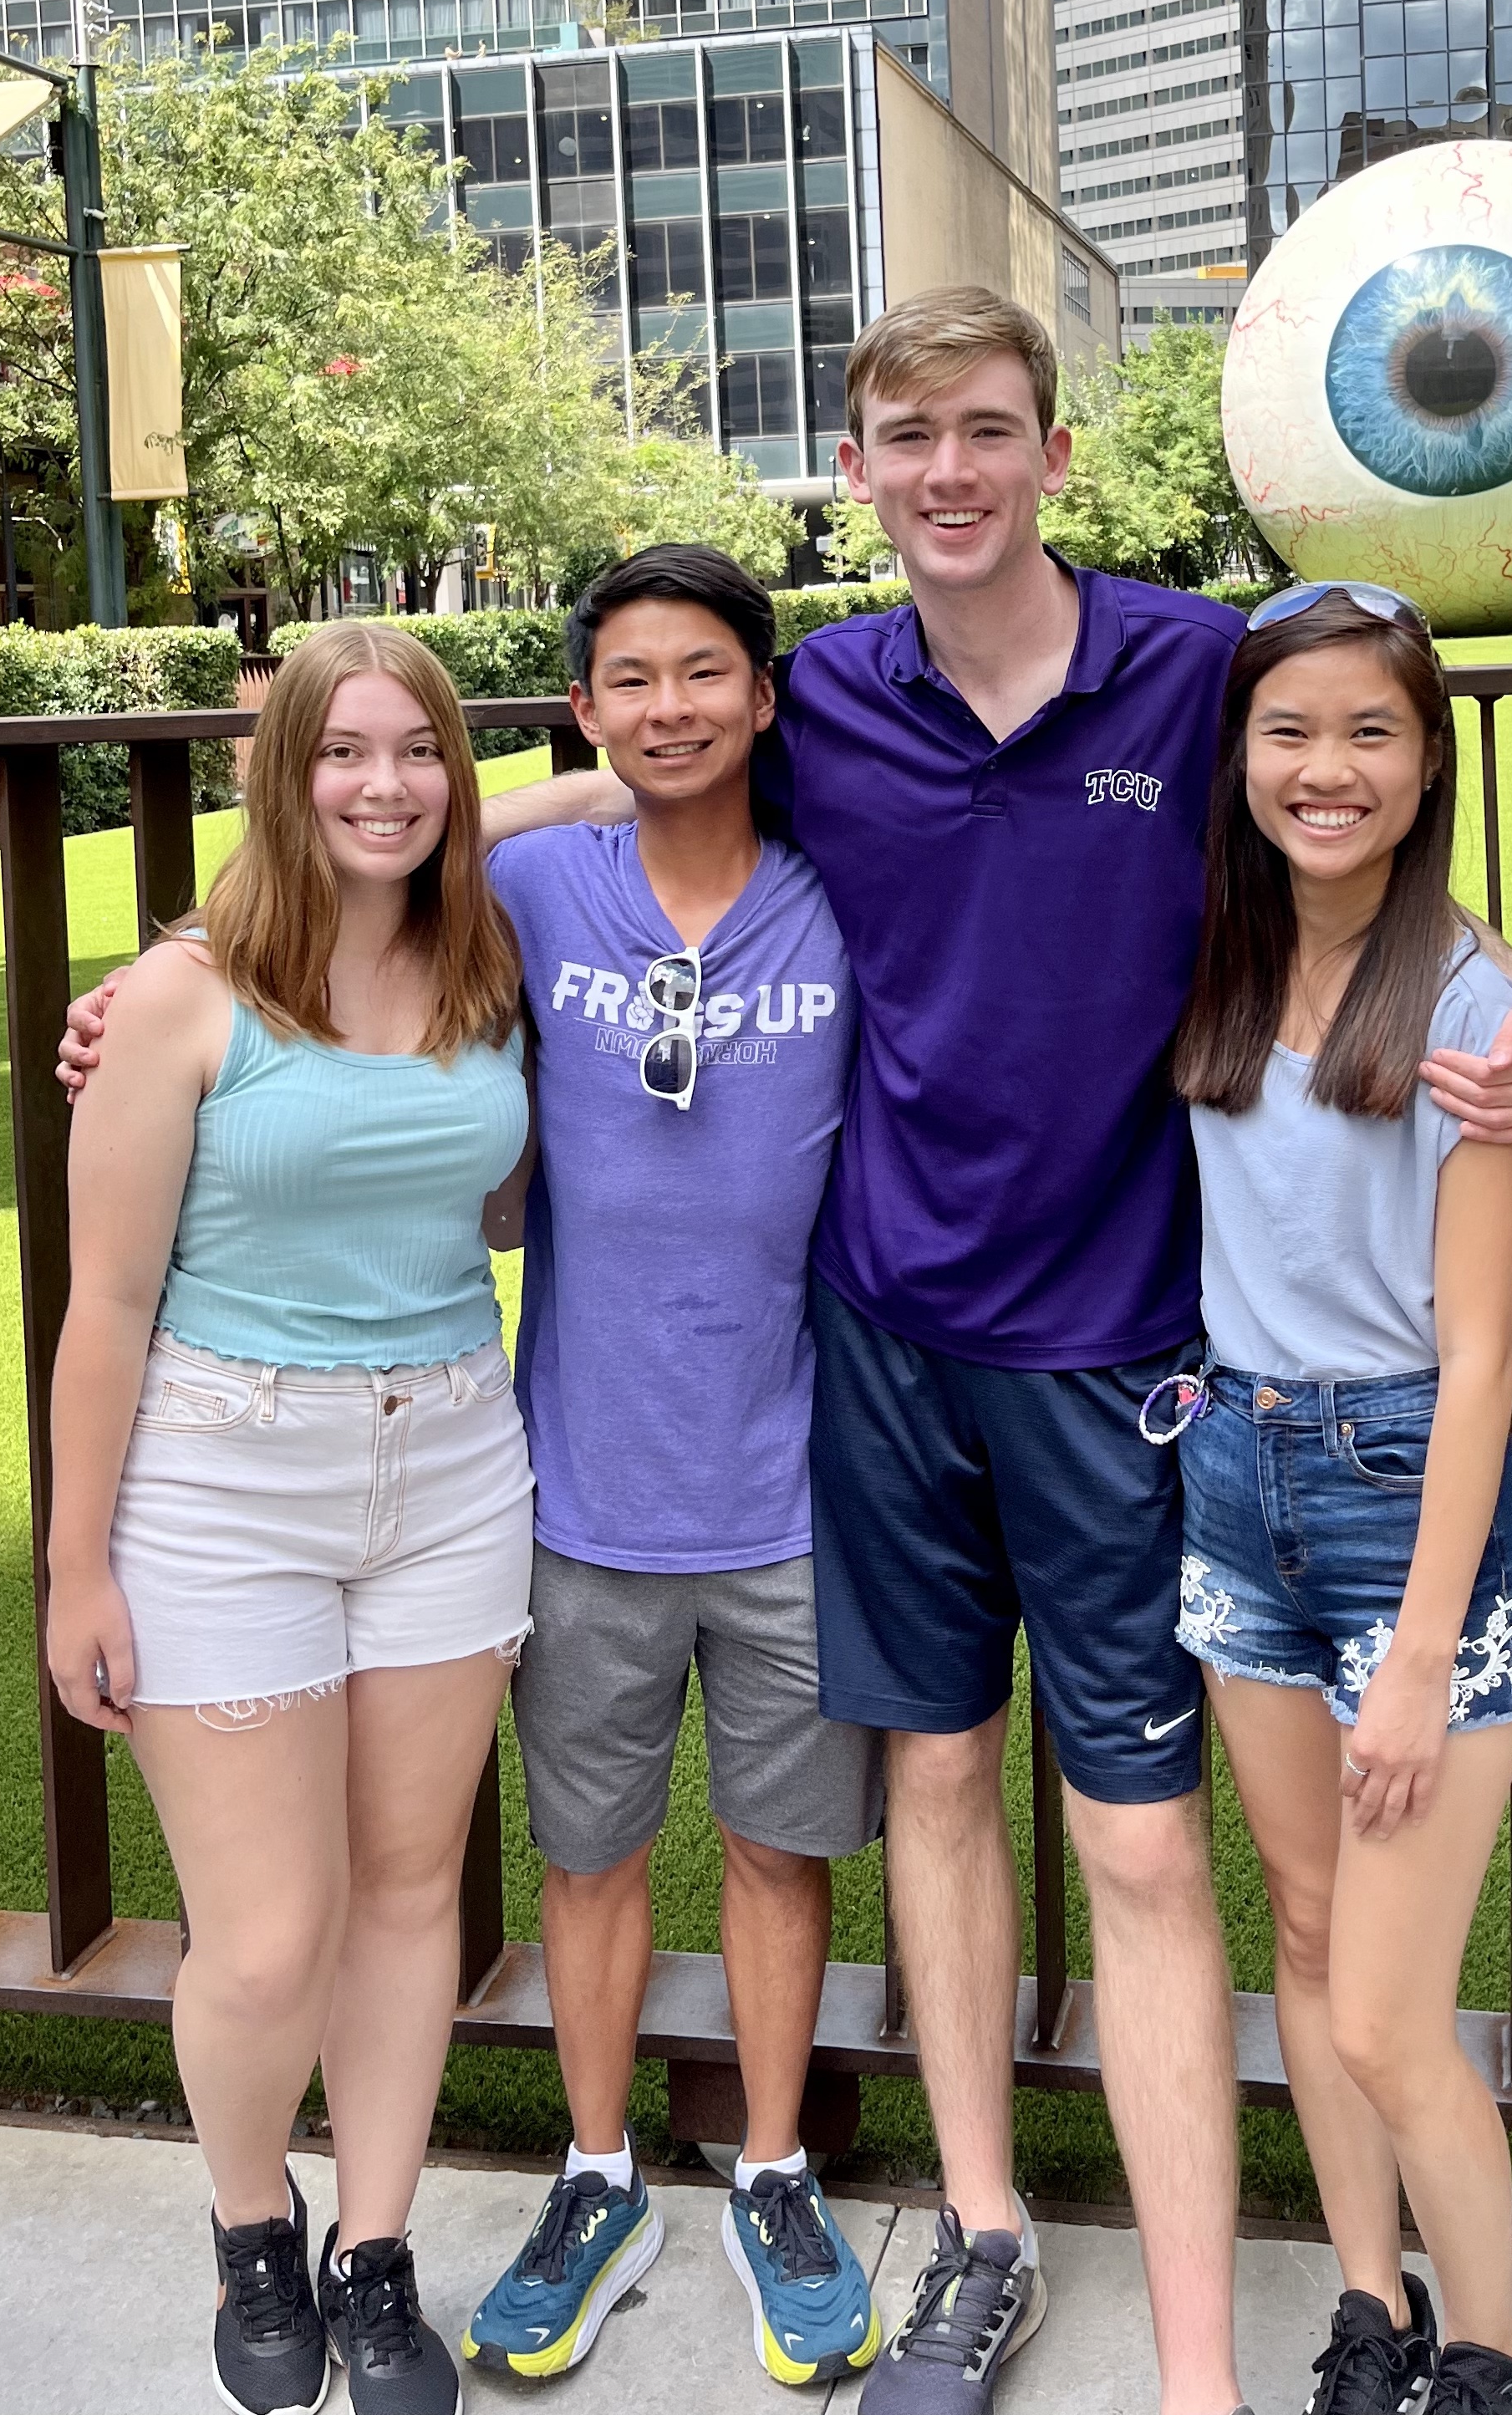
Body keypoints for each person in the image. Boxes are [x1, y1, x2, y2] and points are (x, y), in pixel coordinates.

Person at [478, 288, 1512, 2415]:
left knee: (1150, 1844)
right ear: (859, 471)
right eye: (907, 440)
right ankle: (985, 2235)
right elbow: (606, 778)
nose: (950, 473)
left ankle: (1198, 2370)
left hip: (1123, 1352)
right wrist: (214, 919)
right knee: (937, 1778)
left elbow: (1368, 835)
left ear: (1054, 454)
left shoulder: (1198, 673)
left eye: (988, 432)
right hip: (884, 1340)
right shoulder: (827, 697)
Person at [45, 619, 534, 2415]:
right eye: (344, 752)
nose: (384, 785)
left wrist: (568, 776)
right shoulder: (183, 999)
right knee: (268, 1933)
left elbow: (602, 788)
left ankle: (378, 2248)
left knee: (411, 1898)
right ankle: (255, 2224)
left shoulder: (488, 954)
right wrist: (75, 1561)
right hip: (221, 1479)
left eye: (420, 751)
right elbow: (103, 1305)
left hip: (454, 1467)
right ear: (280, 772)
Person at [460, 546, 884, 2392]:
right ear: (583, 709)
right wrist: (153, 978)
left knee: (782, 1849)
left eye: (704, 674)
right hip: (588, 1484)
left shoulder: (843, 887)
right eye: (629, 681)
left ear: (765, 697)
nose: (669, 710)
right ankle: (599, 2170)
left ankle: (774, 2169)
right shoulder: (531, 877)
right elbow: (334, 871)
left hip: (798, 1484)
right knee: (590, 1852)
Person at [1168, 583, 1512, 2415]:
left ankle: (1486, 2349)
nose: (1327, 769)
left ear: (1427, 766)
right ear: (1240, 755)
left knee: (1394, 2006)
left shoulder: (1477, 1013)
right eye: (1291, 731)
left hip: (1414, 1503)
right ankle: (1367, 2302)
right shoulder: (1223, 955)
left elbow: (1478, 1362)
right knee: (1311, 1944)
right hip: (1236, 1485)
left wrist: (1418, 1658)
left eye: (1371, 733)